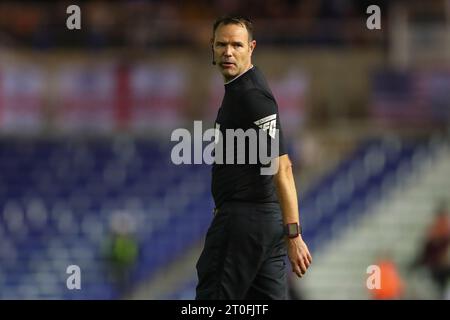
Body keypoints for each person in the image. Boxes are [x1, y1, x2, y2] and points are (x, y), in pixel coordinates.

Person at [195, 16, 312, 300]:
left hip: (243, 225)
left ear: (251, 48)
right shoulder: (240, 90)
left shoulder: (251, 95)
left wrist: (294, 234)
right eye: (221, 44)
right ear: (212, 47)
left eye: (237, 44)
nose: (228, 52)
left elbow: (282, 166)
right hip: (263, 225)